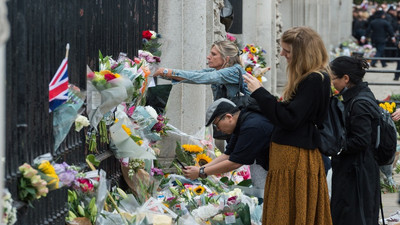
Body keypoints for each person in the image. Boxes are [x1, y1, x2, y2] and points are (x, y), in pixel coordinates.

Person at [243, 26, 332, 225]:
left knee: (288, 210)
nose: (282, 54)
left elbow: (290, 119)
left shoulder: (314, 79)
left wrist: (260, 92)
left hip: (295, 156)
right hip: (290, 155)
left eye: (288, 51)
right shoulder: (311, 78)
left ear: (303, 53)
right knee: (287, 208)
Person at [329, 56, 380, 225]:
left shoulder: (359, 103)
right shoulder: (359, 95)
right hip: (356, 169)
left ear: (346, 78)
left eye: (333, 78)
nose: (332, 83)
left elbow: (361, 140)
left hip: (357, 173)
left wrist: (335, 146)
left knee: (352, 216)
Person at [182, 98, 274, 189]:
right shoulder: (241, 122)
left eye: (217, 125)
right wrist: (200, 169)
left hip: (278, 167)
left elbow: (235, 163)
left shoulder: (251, 126)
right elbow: (228, 155)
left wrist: (201, 172)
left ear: (229, 117)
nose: (218, 129)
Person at [153, 40, 249, 100]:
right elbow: (196, 74)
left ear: (226, 59)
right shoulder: (219, 70)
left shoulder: (233, 71)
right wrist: (161, 73)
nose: (208, 57)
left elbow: (200, 77)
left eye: (213, 54)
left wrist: (166, 72)